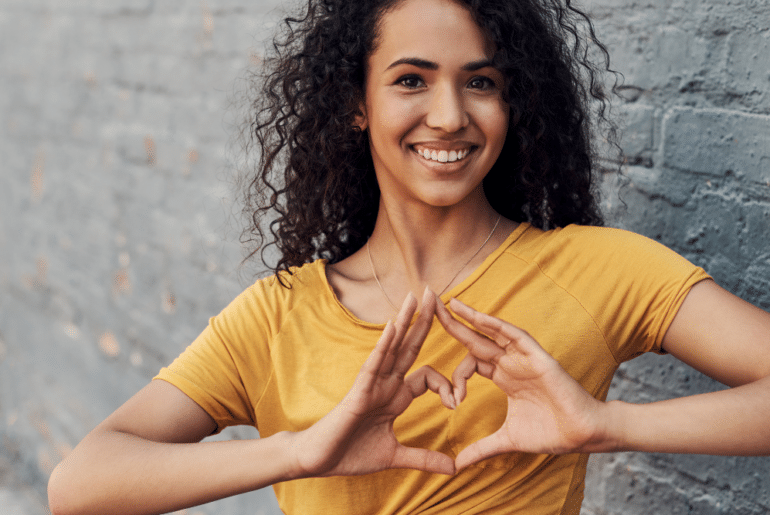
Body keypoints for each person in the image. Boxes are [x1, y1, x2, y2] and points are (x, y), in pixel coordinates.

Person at [47, 0, 770, 513]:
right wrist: (305, 450)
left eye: (480, 81)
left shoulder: (601, 268)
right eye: (411, 80)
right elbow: (80, 485)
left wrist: (606, 426)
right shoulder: (277, 317)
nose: (451, 114)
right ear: (355, 101)